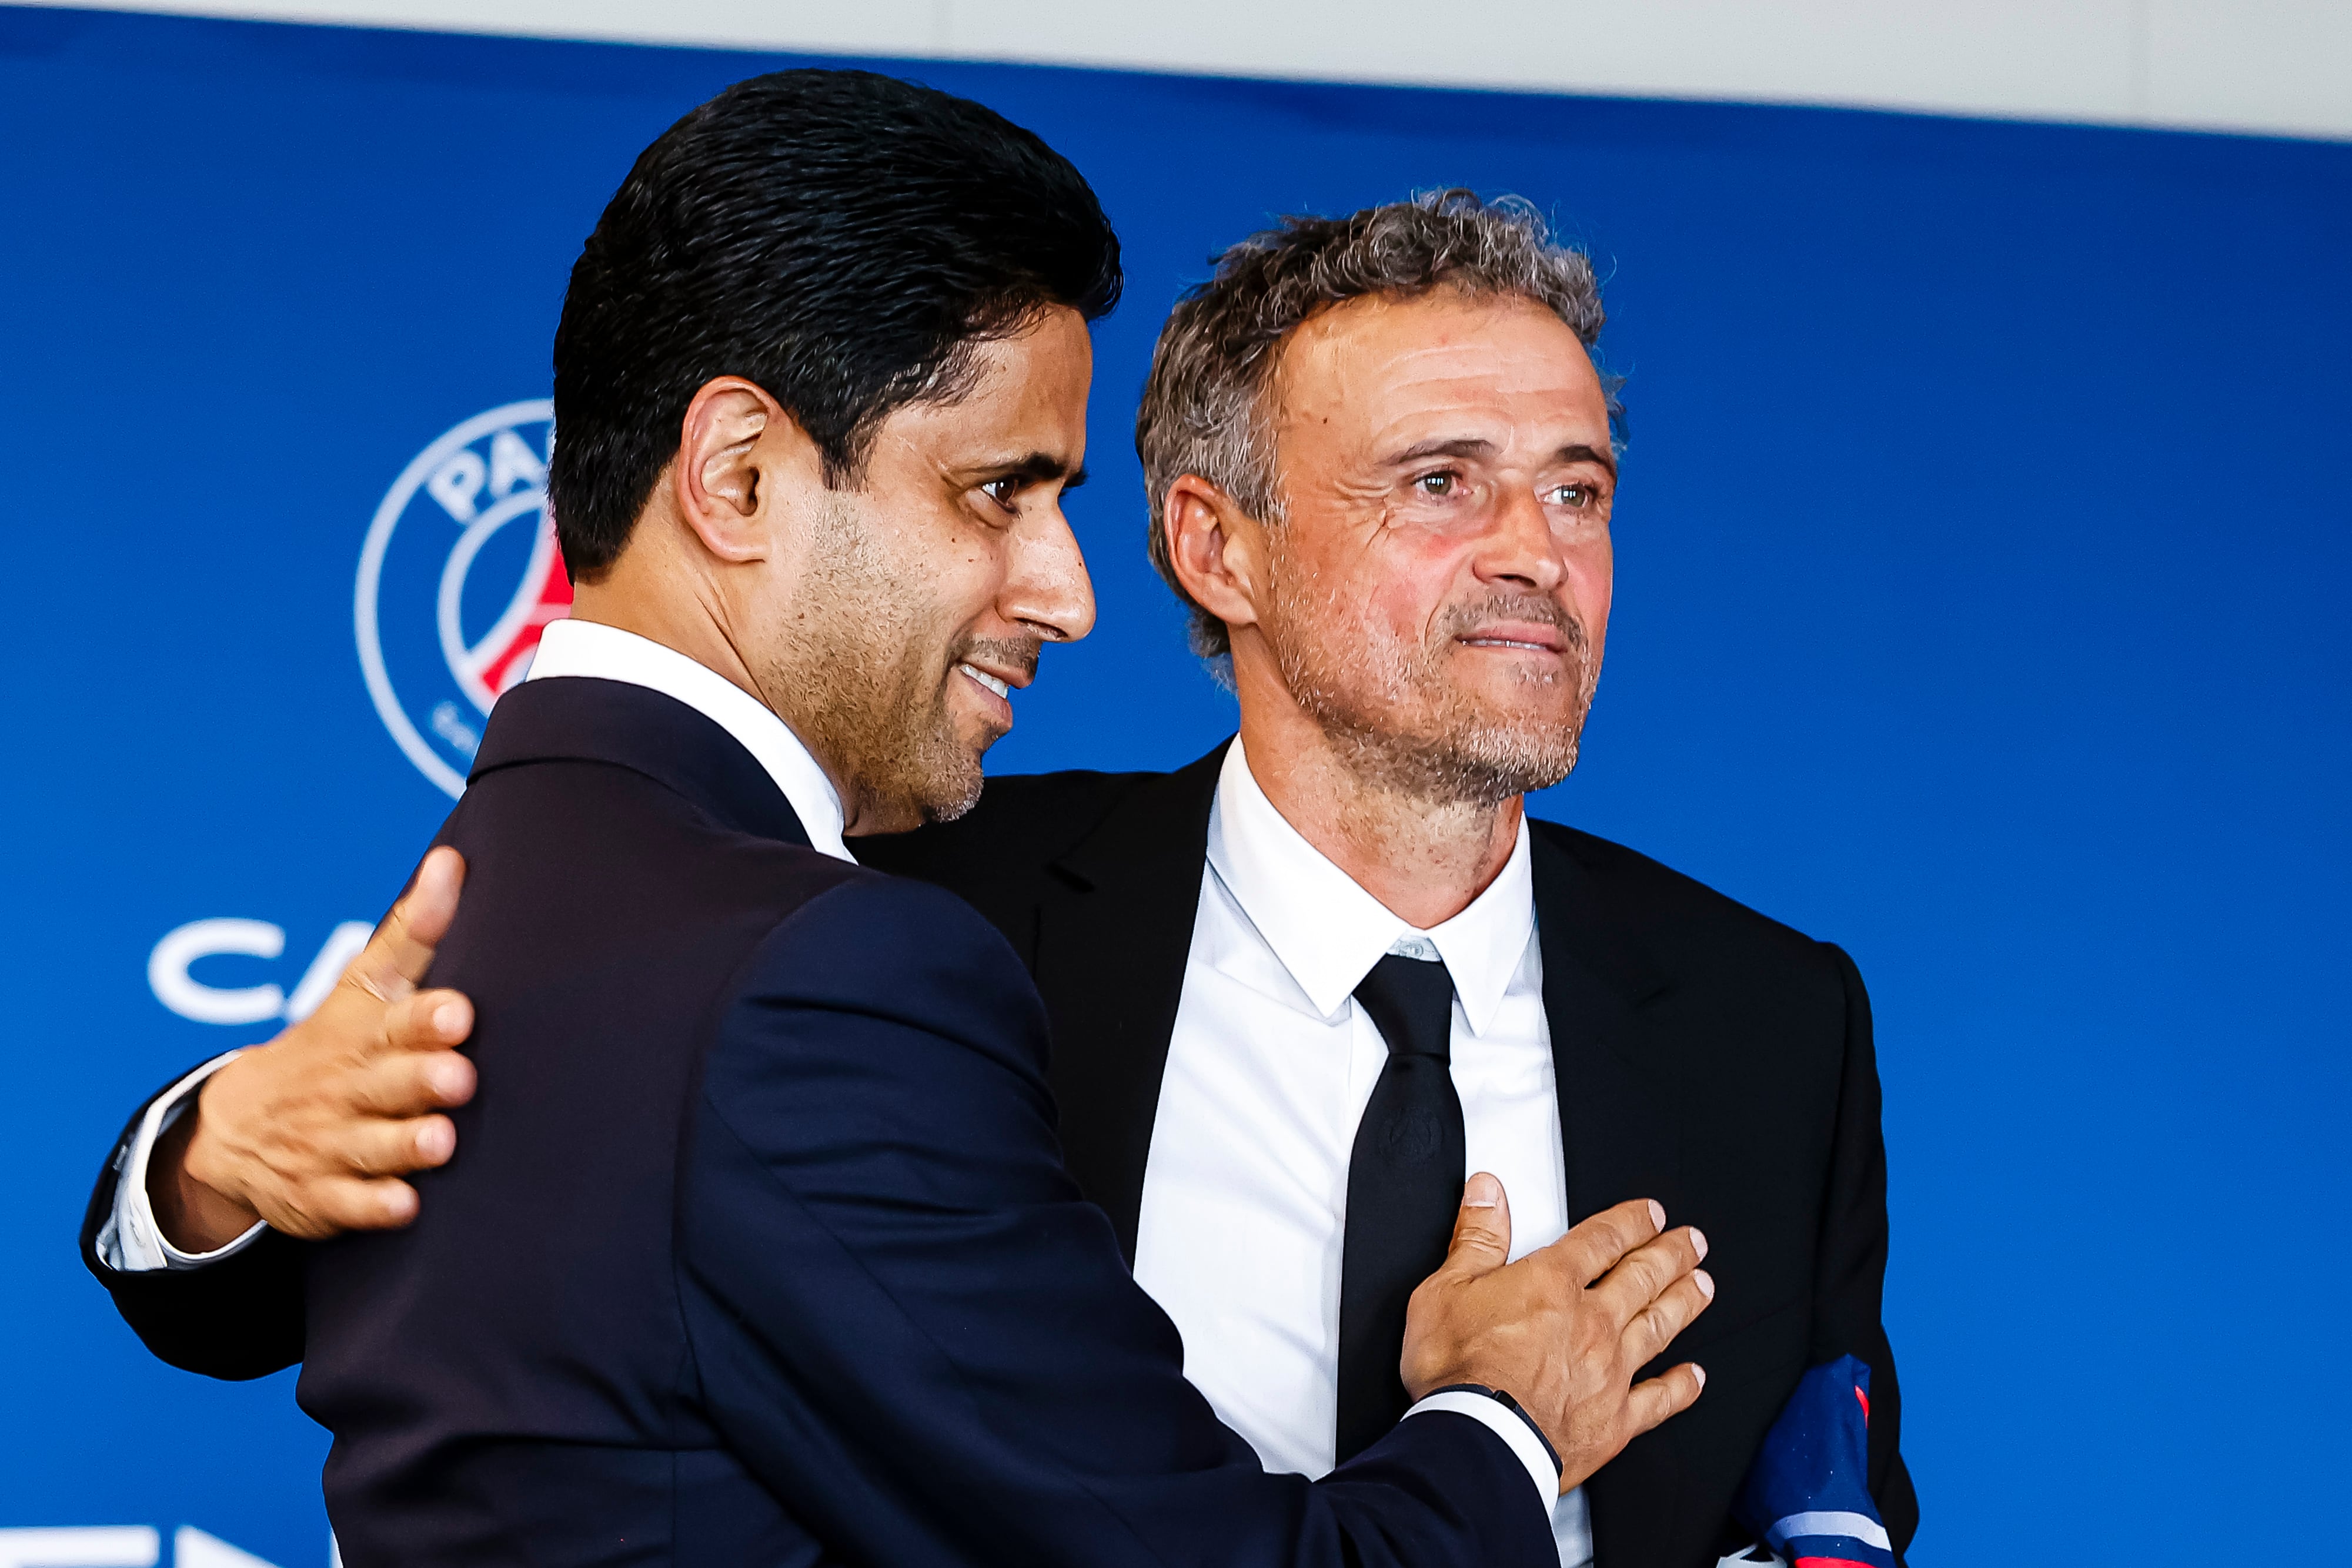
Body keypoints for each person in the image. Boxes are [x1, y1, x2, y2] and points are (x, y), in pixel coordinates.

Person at [81, 75, 1720, 1568]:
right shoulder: (828, 966)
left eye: (1579, 490)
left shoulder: (533, 865)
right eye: (997, 489)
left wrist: (205, 1152)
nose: (1073, 591)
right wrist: (1505, 1420)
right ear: (734, 479)